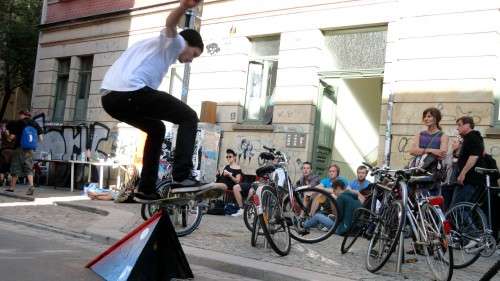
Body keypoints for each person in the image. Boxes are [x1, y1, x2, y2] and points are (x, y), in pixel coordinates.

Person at [100, 0, 205, 201]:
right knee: (189, 117)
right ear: (188, 44)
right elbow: (170, 24)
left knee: (156, 129)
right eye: (194, 55)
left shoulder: (151, 47)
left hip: (110, 99)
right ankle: (182, 177)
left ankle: (146, 188)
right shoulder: (175, 43)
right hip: (129, 91)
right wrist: (184, 7)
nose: (190, 60)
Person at [5, 110, 43, 195]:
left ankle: (12, 187)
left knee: (15, 166)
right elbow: (41, 139)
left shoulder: (19, 123)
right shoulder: (35, 124)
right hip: (30, 149)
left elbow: (11, 137)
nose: (19, 117)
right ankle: (31, 186)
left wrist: (7, 135)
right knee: (29, 167)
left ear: (22, 115)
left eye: (20, 115)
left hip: (19, 148)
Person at [450, 116, 484, 206]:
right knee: (461, 209)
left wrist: (462, 174)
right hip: (468, 180)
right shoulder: (468, 138)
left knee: (459, 209)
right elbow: (463, 156)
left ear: (467, 125)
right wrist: (456, 150)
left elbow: (474, 156)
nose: (457, 128)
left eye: (459, 125)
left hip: (470, 180)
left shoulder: (473, 137)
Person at [214, 149, 253, 217]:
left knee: (212, 186)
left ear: (234, 157)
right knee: (211, 186)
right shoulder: (226, 166)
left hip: (228, 185)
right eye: (227, 157)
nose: (228, 158)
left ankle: (241, 209)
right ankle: (209, 206)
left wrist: (230, 175)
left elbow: (237, 181)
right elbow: (221, 178)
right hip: (221, 183)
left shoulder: (237, 168)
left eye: (230, 156)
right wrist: (218, 175)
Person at [0, 120, 15, 187]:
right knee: (9, 167)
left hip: (4, 151)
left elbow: (7, 139)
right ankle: (9, 181)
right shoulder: (14, 133)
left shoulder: (4, 132)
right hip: (12, 152)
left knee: (2, 168)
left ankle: (1, 180)